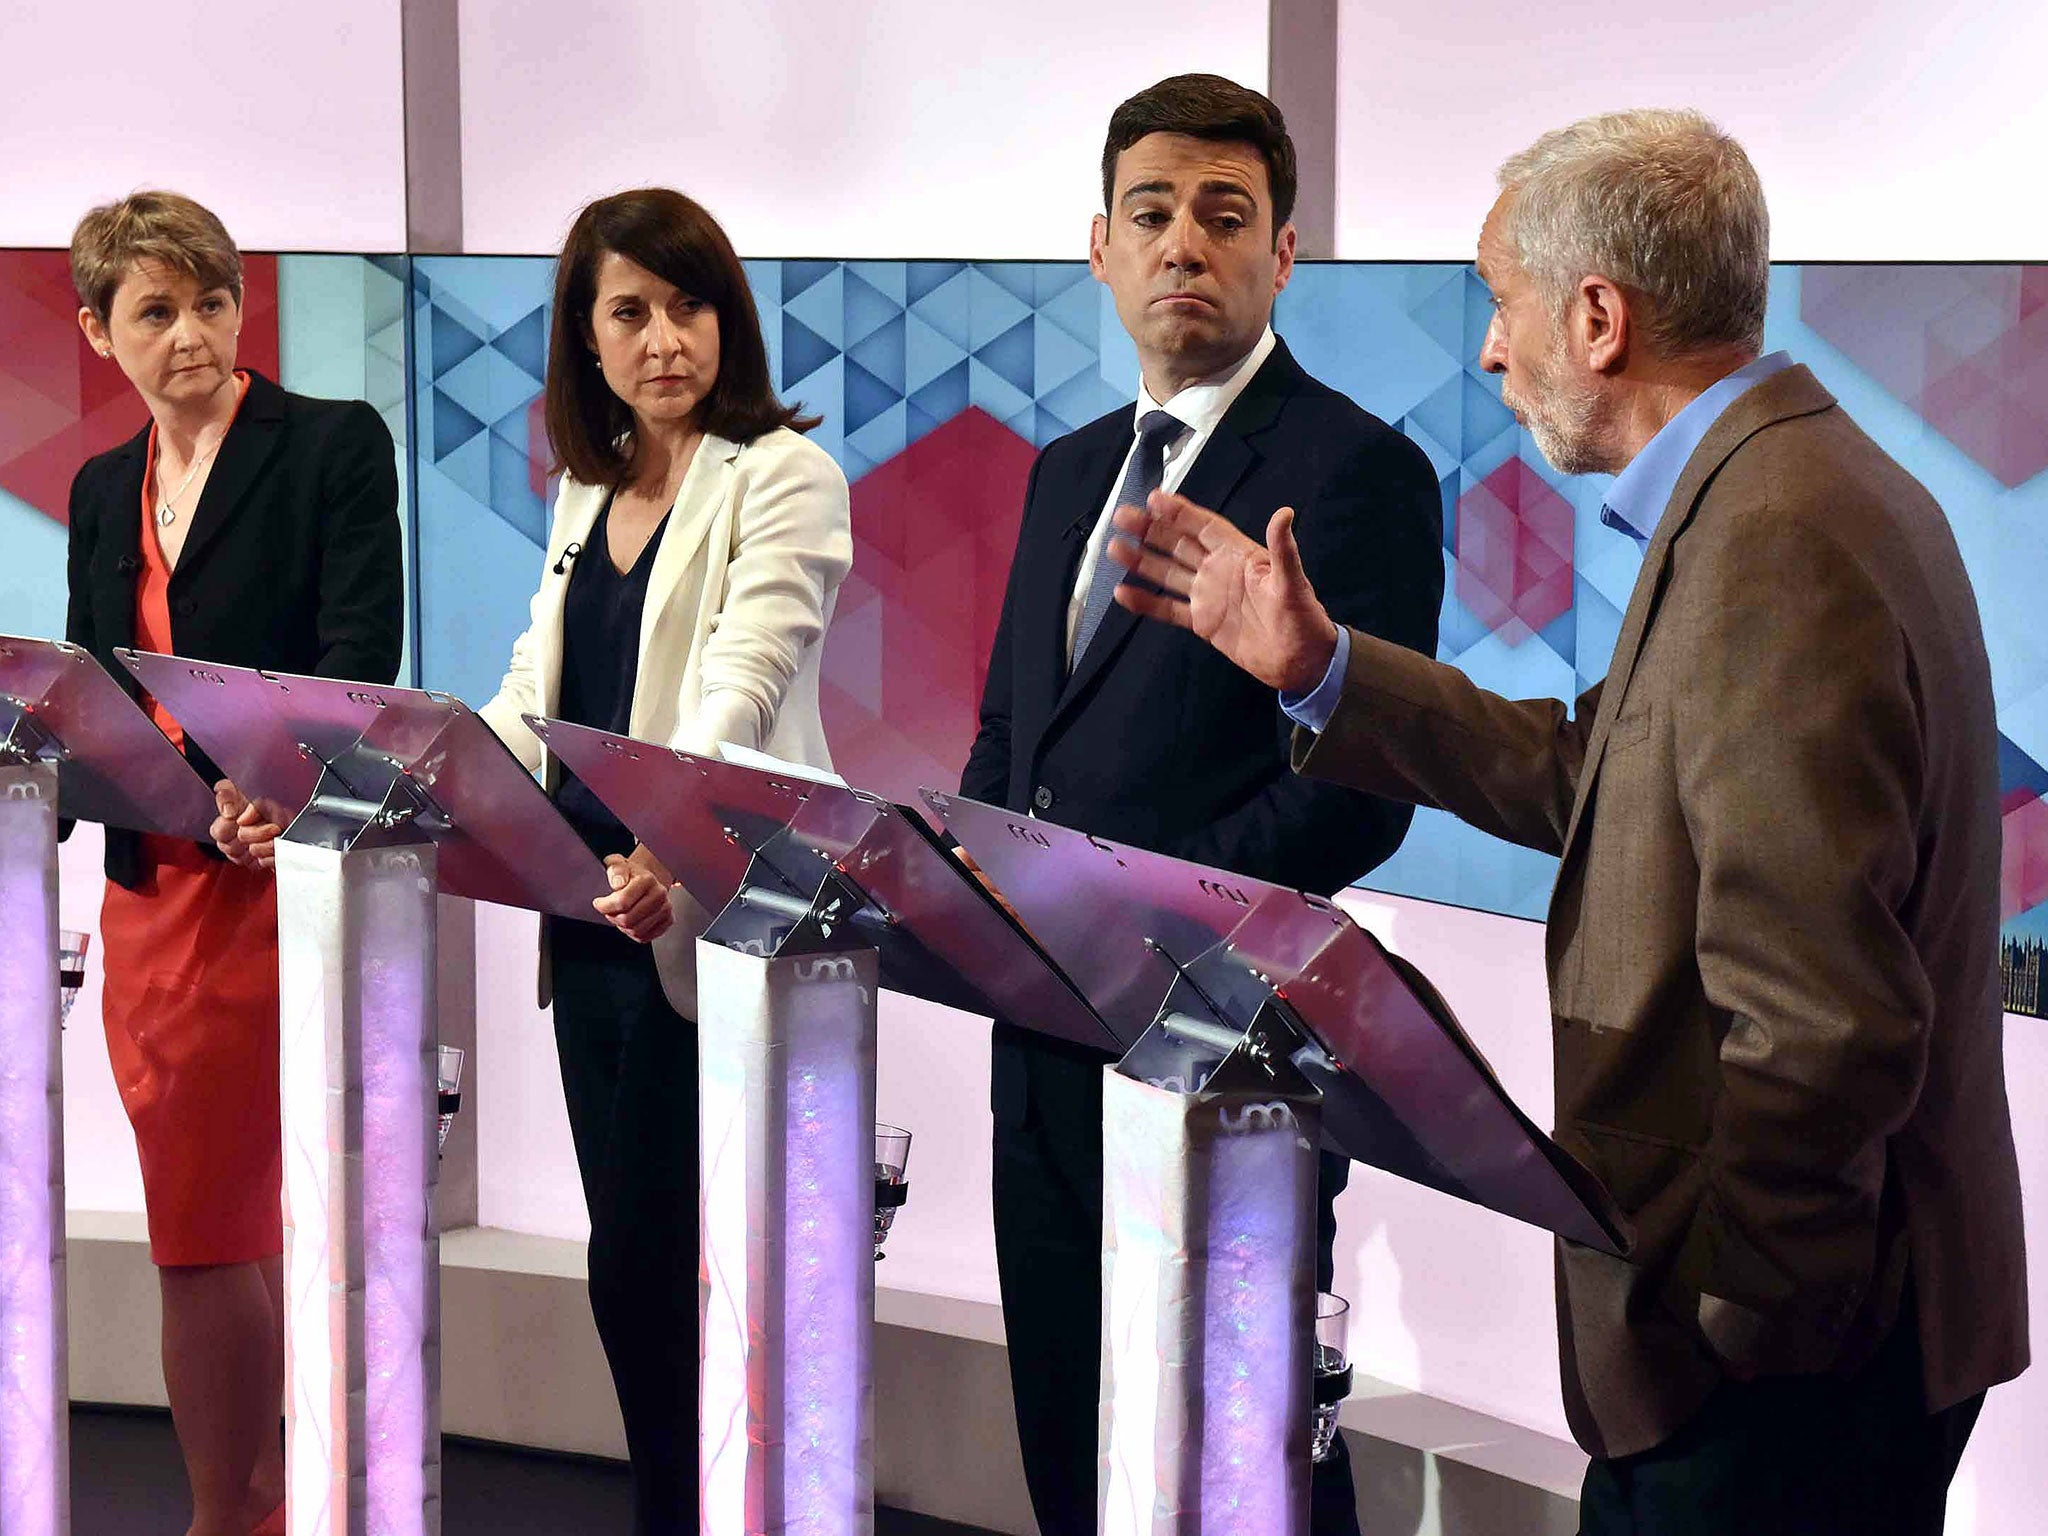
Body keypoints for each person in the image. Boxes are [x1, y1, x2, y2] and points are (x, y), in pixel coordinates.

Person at [1106, 109, 2028, 1535]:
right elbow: (1596, 770)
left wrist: (1728, 1333)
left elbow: (1825, 1027)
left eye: (1502, 302)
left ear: (1598, 316)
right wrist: (1322, 667)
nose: (1487, 348)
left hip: (1785, 1381)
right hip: (1819, 1351)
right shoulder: (1778, 490)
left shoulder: (1777, 537)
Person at [960, 74, 1443, 1534]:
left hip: (1225, 1052)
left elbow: (1360, 794)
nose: (1185, 244)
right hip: (1043, 1066)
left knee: (1234, 1475)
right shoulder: (1058, 480)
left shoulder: (1358, 471)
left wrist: (1147, 930)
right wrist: (979, 869)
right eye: (1153, 213)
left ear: (1283, 252)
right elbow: (1010, 743)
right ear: (1099, 246)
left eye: (1225, 217)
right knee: (1073, 1450)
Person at [478, 186, 852, 1536]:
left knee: (693, 1267)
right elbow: (538, 682)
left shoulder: (785, 474)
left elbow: (739, 688)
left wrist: (662, 835)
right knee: (628, 1274)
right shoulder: (591, 484)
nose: (664, 339)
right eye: (628, 312)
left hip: (714, 920)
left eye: (688, 305)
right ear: (586, 338)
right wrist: (432, 780)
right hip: (592, 920)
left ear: (727, 318)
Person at [63, 191, 404, 1536]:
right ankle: (234, 1508)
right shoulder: (100, 488)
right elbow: (94, 681)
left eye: (211, 299)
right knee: (192, 1228)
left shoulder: (328, 445)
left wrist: (264, 789)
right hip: (151, 896)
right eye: (156, 310)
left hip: (286, 888)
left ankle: (286, 1505)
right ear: (100, 332)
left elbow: (356, 659)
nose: (193, 332)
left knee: (288, 1220)